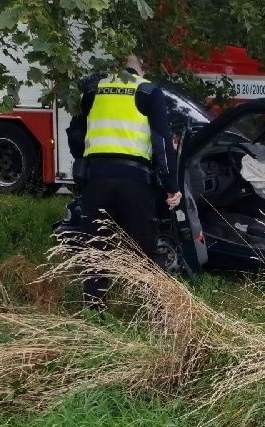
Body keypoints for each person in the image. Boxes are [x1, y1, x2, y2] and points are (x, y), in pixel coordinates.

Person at [66, 54, 181, 309]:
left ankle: (94, 309)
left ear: (116, 68)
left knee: (96, 247)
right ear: (141, 70)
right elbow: (162, 143)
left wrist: (85, 160)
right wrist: (171, 185)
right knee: (144, 248)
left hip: (96, 179)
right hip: (134, 181)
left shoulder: (92, 91)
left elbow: (75, 135)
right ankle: (156, 311)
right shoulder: (148, 91)